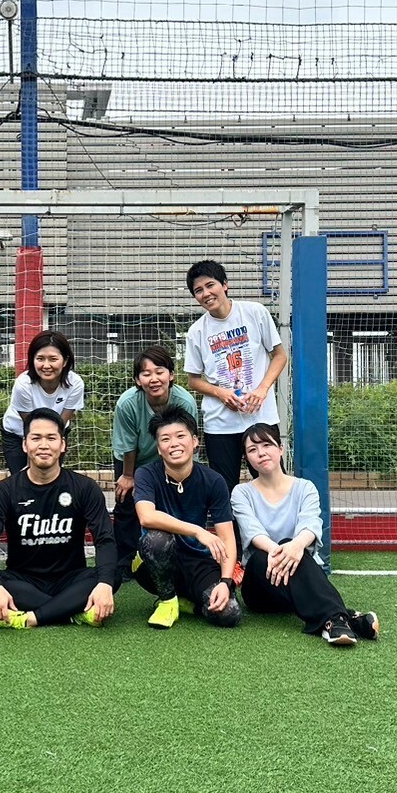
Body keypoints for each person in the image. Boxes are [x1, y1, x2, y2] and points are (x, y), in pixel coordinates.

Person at [230, 423, 380, 647]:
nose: (260, 453)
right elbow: (252, 531)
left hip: (298, 577)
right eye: (252, 449)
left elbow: (310, 525)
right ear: (247, 459)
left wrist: (296, 546)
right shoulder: (241, 492)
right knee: (279, 549)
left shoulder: (305, 488)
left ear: (280, 448)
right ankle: (344, 617)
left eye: (266, 445)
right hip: (261, 585)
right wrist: (284, 550)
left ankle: (335, 621)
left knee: (295, 548)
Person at [0, 408, 117, 630]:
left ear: (63, 444)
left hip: (72, 579)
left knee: (111, 576)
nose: (43, 445)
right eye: (36, 438)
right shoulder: (5, 490)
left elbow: (105, 539)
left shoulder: (85, 488)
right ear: (24, 445)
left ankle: (30, 618)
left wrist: (105, 584)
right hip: (23, 580)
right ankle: (73, 611)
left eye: (51, 438)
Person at [130, 405, 242, 630]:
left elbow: (227, 537)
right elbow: (146, 517)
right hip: (153, 562)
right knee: (157, 539)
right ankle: (167, 600)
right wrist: (197, 531)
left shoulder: (213, 481)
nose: (174, 444)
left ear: (194, 441)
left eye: (180, 436)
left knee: (229, 613)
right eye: (165, 439)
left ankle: (187, 602)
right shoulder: (146, 474)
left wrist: (225, 582)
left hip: (197, 562)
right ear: (159, 448)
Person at [183, 259, 288, 494]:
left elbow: (280, 356)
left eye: (210, 285)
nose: (206, 294)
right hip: (221, 424)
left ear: (225, 285)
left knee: (273, 484)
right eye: (198, 290)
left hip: (260, 417)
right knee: (224, 490)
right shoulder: (196, 332)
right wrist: (221, 393)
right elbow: (193, 380)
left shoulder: (255, 312)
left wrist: (262, 389)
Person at [111, 344, 200, 573]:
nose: (154, 379)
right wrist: (128, 476)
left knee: (177, 500)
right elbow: (128, 444)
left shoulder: (185, 402)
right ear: (137, 380)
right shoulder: (127, 403)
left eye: (159, 372)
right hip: (134, 458)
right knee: (126, 501)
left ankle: (184, 555)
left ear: (171, 375)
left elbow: (188, 440)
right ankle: (126, 562)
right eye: (146, 374)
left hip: (171, 456)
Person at [0, 330, 86, 476]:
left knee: (50, 475)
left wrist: (52, 443)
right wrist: (31, 464)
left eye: (53, 359)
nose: (46, 365)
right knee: (23, 478)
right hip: (18, 432)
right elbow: (30, 426)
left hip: (55, 431)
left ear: (65, 361)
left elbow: (61, 423)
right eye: (40, 359)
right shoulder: (23, 384)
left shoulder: (75, 383)